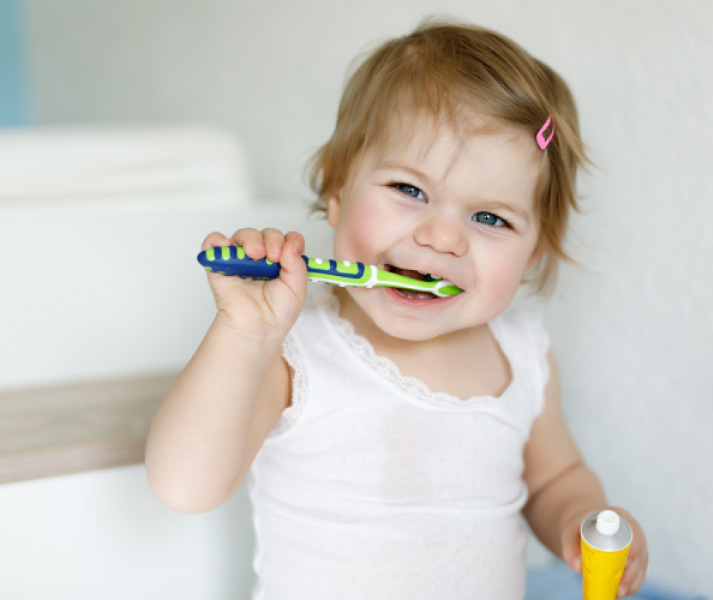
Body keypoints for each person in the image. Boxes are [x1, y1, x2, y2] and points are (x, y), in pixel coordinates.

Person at [146, 19, 648, 600]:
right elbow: (184, 487)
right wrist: (243, 335)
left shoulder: (522, 356)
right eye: (410, 190)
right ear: (337, 193)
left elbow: (556, 479)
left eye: (490, 219)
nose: (442, 237)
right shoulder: (293, 353)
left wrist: (582, 522)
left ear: (532, 252)